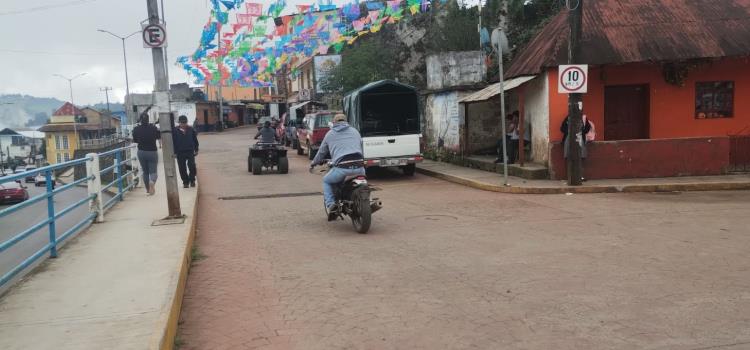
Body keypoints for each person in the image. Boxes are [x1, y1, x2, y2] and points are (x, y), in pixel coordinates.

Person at [310, 113, 365, 218]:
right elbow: (361, 148)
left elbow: (321, 152)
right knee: (364, 185)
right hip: (360, 167)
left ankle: (331, 205)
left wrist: (313, 163)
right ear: (346, 121)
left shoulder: (330, 134)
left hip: (343, 168)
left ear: (334, 122)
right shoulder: (355, 131)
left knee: (326, 180)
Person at [132, 113, 160, 195]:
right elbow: (158, 137)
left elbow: (135, 140)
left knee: (145, 172)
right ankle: (152, 182)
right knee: (153, 171)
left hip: (141, 152)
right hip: (152, 152)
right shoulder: (154, 128)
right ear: (148, 119)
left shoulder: (136, 129)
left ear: (140, 120)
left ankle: (148, 189)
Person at [560, 113, 592, 180]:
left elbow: (587, 127)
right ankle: (570, 176)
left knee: (580, 157)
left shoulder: (583, 118)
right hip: (569, 139)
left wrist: (582, 132)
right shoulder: (568, 117)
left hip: (580, 139)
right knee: (569, 157)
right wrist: (570, 132)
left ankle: (580, 176)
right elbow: (562, 128)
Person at [173, 115, 199, 188]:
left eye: (185, 123)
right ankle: (185, 182)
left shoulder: (191, 129)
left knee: (192, 166)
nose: (184, 124)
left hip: (190, 151)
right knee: (182, 168)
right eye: (182, 123)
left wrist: (196, 149)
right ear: (179, 123)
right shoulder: (175, 130)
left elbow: (195, 140)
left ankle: (192, 180)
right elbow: (173, 142)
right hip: (180, 152)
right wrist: (174, 152)